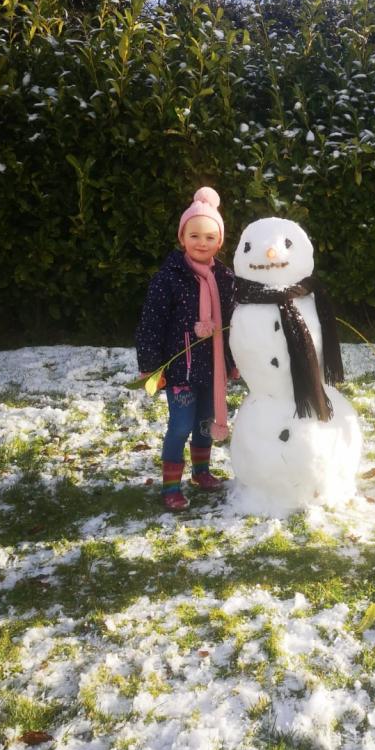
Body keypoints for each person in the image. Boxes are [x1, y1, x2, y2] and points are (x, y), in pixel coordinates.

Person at [136, 186, 236, 511]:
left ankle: (202, 472)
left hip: (212, 369)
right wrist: (151, 365)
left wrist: (232, 362)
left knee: (205, 421)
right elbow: (151, 322)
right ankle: (170, 486)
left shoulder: (224, 278)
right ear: (183, 238)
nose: (201, 243)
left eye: (209, 237)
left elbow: (231, 324)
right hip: (181, 370)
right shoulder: (169, 278)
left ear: (218, 241)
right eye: (194, 235)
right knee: (180, 425)